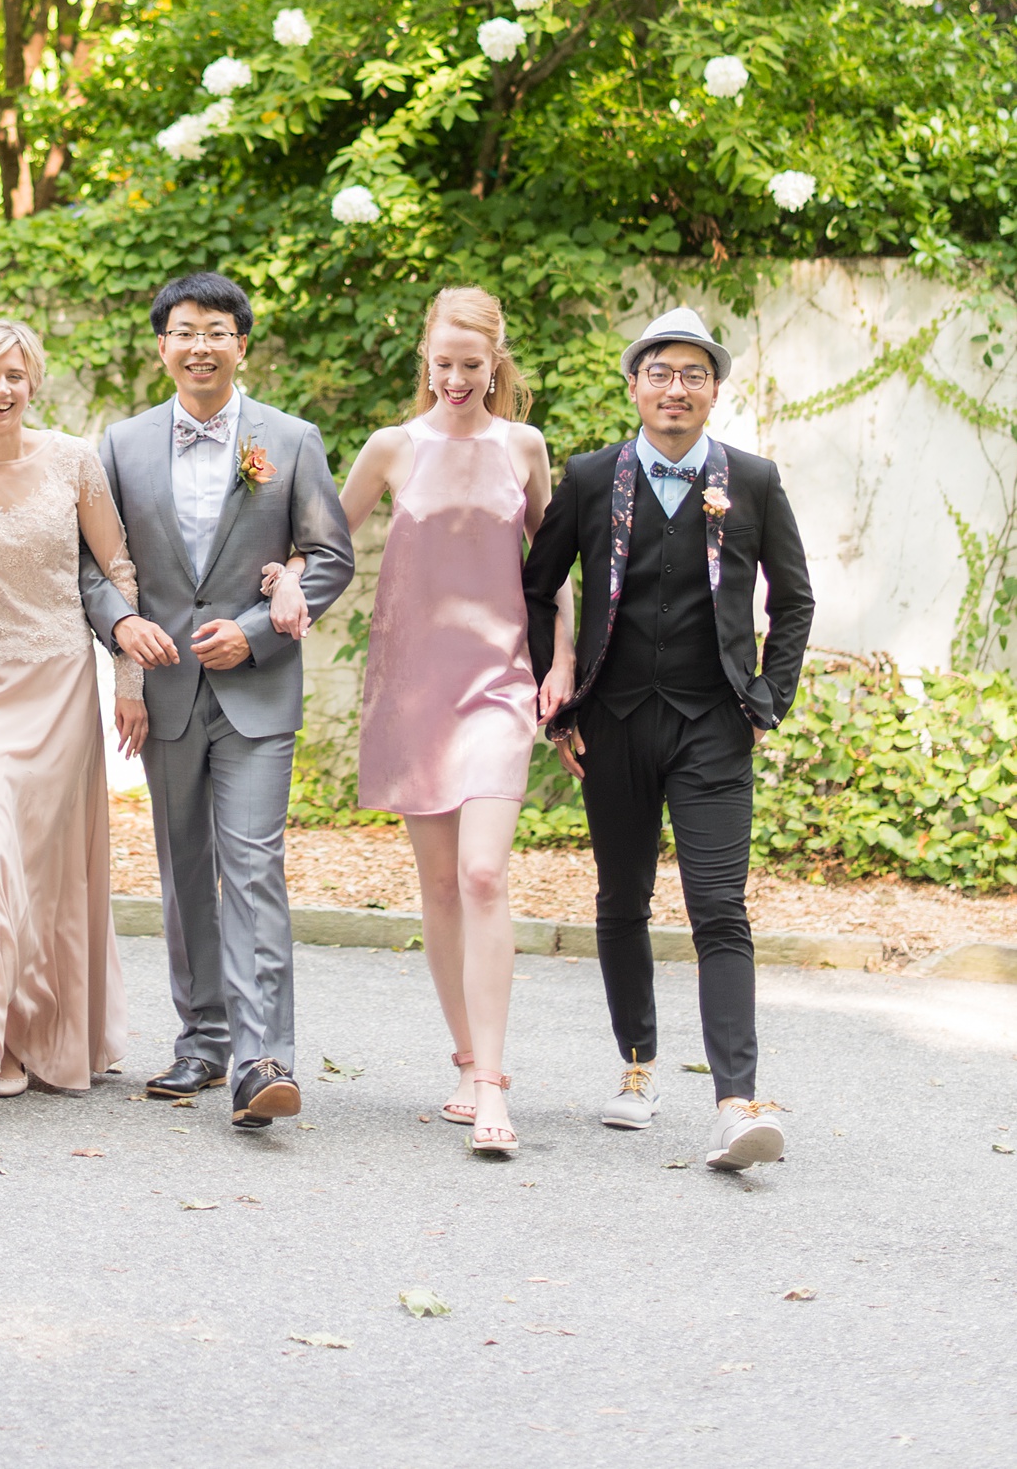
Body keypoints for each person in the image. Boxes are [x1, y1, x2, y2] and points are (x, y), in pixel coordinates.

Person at [265, 286, 575, 1158]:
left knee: (483, 873)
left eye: (470, 366)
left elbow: (551, 569)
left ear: (495, 364)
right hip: (412, 684)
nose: (454, 379)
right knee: (439, 886)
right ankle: (466, 1058)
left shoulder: (524, 446)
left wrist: (564, 660)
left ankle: (493, 1085)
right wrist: (289, 582)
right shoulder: (391, 448)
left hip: (501, 681)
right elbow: (325, 538)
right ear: (426, 360)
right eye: (441, 364)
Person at [521, 306, 815, 1173]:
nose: (675, 388)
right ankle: (638, 1066)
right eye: (660, 372)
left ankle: (735, 1101)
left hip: (714, 725)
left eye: (693, 374)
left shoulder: (753, 481)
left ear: (715, 388)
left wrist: (767, 699)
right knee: (622, 900)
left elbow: (793, 599)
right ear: (635, 385)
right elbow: (538, 589)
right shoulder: (590, 475)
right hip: (612, 722)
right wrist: (558, 697)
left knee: (721, 907)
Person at [79, 273, 355, 1130]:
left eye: (219, 330)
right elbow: (91, 565)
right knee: (183, 868)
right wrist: (122, 627)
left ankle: (264, 1055)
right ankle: (202, 1038)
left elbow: (329, 555)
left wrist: (257, 630)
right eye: (185, 329)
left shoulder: (293, 439)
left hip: (257, 691)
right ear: (161, 344)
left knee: (253, 864)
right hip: (165, 690)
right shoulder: (118, 446)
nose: (202, 344)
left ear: (244, 342)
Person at [0, 318, 148, 1103]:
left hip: (59, 681)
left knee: (42, 872)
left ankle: (31, 1032)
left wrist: (130, 681)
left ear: (32, 380)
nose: (2, 389)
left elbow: (115, 568)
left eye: (15, 374)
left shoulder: (76, 460)